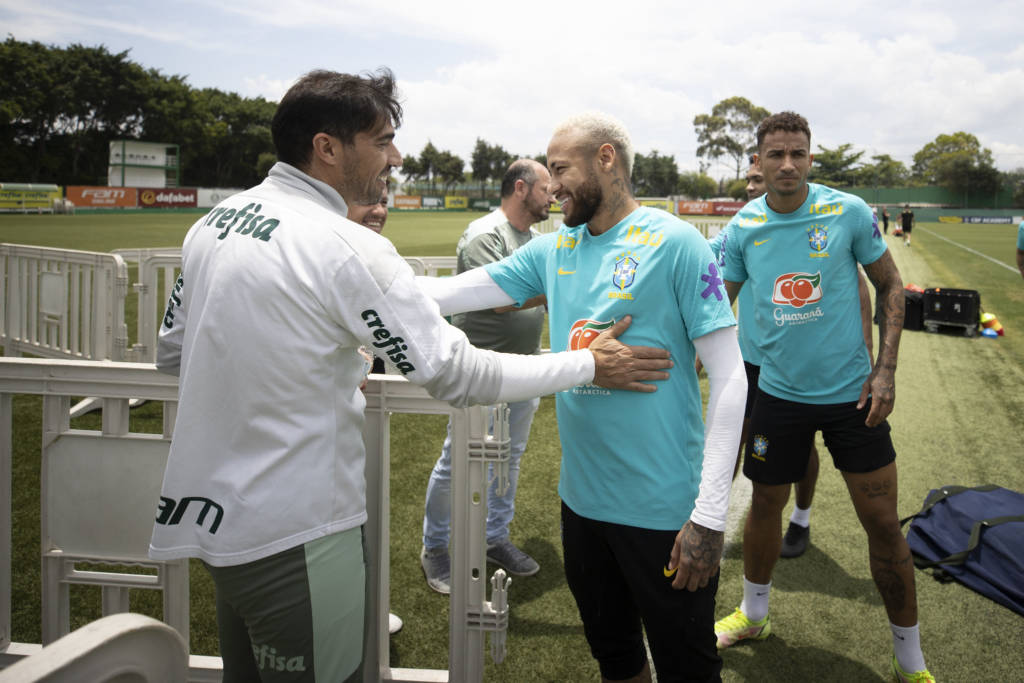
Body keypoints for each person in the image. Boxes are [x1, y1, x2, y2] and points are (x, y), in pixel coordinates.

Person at [149, 70, 673, 683]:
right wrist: (588, 363)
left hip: (212, 522)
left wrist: (320, 359)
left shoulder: (215, 222)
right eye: (382, 140)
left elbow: (173, 352)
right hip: (298, 526)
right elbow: (459, 373)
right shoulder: (344, 244)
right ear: (327, 147)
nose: (395, 158)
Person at [416, 112, 748, 682]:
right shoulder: (553, 250)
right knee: (616, 659)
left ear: (606, 158)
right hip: (582, 509)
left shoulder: (677, 243)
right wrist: (352, 278)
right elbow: (448, 293)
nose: (552, 186)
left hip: (665, 512)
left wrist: (710, 515)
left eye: (561, 168)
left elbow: (731, 376)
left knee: (688, 669)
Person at [715, 111, 933, 683]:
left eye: (798, 154)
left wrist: (885, 371)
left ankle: (910, 661)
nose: (787, 164)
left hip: (853, 397)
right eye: (776, 154)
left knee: (882, 522)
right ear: (758, 162)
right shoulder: (742, 228)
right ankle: (754, 615)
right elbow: (717, 303)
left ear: (811, 158)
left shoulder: (848, 212)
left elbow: (890, 284)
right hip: (778, 395)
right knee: (765, 505)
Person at [709, 163, 875, 559]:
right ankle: (710, 523)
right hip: (750, 360)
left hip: (792, 364)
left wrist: (867, 349)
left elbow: (859, 287)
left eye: (757, 179)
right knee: (730, 440)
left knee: (804, 446)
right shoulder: (741, 227)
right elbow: (709, 272)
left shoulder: (816, 223)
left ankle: (801, 517)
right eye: (749, 180)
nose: (752, 186)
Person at [420, 159, 553, 594]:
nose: (552, 196)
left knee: (509, 458)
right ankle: (434, 548)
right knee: (456, 461)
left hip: (524, 369)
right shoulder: (485, 235)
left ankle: (495, 537)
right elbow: (498, 299)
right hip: (480, 371)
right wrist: (554, 286)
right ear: (521, 188)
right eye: (546, 187)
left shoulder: (534, 240)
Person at [348, 185, 405, 637]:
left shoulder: (372, 256)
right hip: (316, 424)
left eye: (384, 202)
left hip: (360, 404)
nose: (379, 211)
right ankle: (353, 614)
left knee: (363, 502)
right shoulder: (328, 252)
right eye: (369, 199)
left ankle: (363, 606)